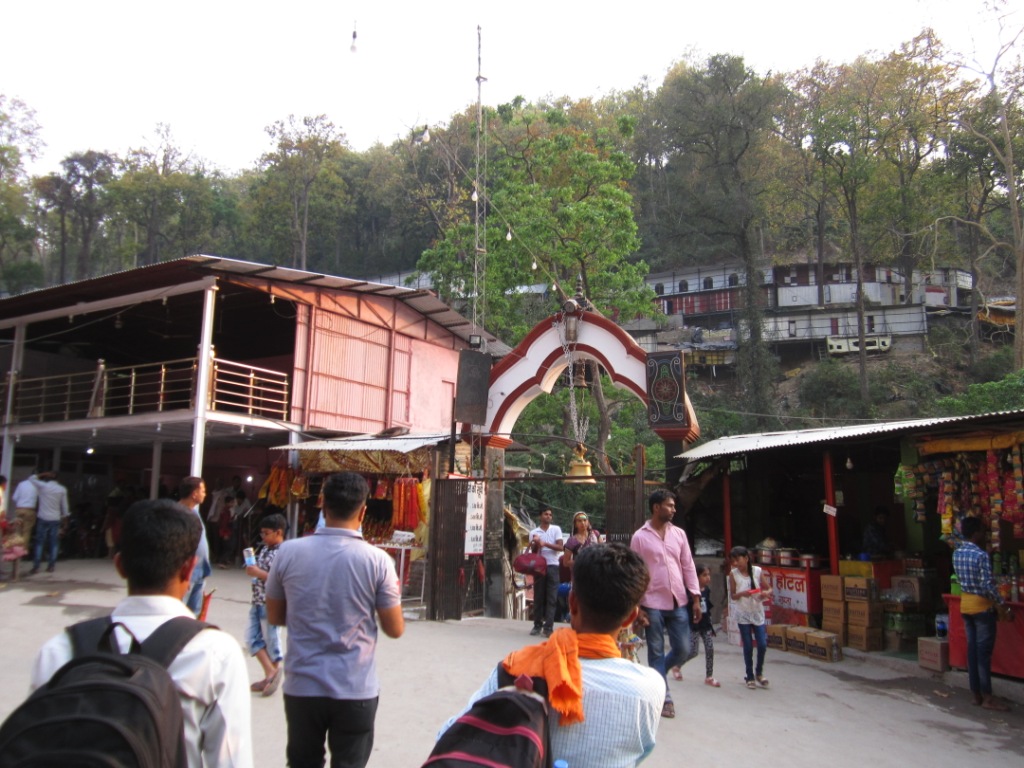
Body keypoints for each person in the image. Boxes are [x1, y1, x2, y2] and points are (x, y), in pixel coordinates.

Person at [29, 498, 254, 768]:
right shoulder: (215, 653)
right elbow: (230, 760)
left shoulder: (59, 651)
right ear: (189, 568)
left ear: (119, 566)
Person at [438, 543, 665, 768]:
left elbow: (447, 736)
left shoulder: (515, 669)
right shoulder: (649, 688)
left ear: (572, 603)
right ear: (630, 618)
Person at [265, 471, 405, 768]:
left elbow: (275, 616)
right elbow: (395, 629)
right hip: (355, 687)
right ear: (363, 511)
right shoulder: (378, 560)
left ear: (323, 507)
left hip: (303, 685)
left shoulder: (287, 553)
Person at [629, 488, 702, 719]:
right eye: (669, 505)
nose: (673, 510)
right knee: (656, 650)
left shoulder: (678, 534)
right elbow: (635, 571)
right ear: (656, 507)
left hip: (678, 600)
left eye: (673, 506)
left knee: (683, 649)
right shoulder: (640, 537)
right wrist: (637, 607)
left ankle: (656, 676)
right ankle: (664, 697)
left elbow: (688, 565)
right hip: (651, 602)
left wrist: (696, 598)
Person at [953, 516, 1013, 711]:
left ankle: (976, 695)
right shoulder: (981, 555)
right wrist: (1001, 603)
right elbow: (987, 585)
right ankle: (988, 697)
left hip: (966, 606)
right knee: (983, 654)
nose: (984, 533)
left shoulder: (957, 553)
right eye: (982, 530)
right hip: (982, 608)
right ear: (976, 532)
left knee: (972, 652)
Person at [246, 512, 286, 696]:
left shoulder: (282, 553)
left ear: (278, 532)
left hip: (270, 601)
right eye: (262, 533)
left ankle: (272, 672)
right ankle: (270, 672)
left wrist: (258, 573)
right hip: (257, 599)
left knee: (271, 639)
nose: (263, 537)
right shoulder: (265, 549)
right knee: (252, 638)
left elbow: (280, 580)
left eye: (267, 533)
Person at [728, 545, 773, 690]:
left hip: (757, 612)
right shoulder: (733, 574)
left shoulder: (757, 571)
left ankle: (759, 672)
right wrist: (743, 593)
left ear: (746, 558)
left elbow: (768, 588)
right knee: (747, 645)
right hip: (743, 613)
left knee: (762, 644)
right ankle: (750, 675)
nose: (736, 563)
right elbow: (733, 596)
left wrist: (765, 593)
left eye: (738, 560)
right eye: (733, 561)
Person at [672, 563, 718, 686]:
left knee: (710, 648)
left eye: (708, 575)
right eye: (704, 575)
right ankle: (677, 666)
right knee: (693, 651)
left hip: (705, 624)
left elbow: (707, 607)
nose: (708, 578)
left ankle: (709, 676)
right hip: (693, 624)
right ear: (696, 577)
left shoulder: (707, 590)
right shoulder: (689, 592)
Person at [528, 507, 563, 637]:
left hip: (553, 566)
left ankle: (548, 627)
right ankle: (537, 624)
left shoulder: (556, 529)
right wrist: (536, 543)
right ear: (540, 516)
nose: (548, 516)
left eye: (550, 514)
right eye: (545, 514)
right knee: (538, 597)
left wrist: (545, 543)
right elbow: (533, 552)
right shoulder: (533, 532)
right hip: (539, 567)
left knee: (552, 598)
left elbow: (560, 547)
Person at [179, 476, 212, 616]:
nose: (205, 494)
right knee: (179, 611)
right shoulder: (178, 514)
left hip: (199, 571)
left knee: (194, 613)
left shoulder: (194, 512)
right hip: (186, 572)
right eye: (203, 491)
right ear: (194, 494)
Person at [29, 472, 69, 575]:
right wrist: (65, 521)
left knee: (39, 542)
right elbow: (64, 507)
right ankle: (51, 566)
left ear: (47, 478)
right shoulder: (61, 489)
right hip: (55, 518)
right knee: (54, 542)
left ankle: (36, 567)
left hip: (42, 517)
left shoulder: (43, 486)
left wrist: (43, 474)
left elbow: (31, 479)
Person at [12, 474, 39, 555]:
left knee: (18, 531)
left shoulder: (21, 484)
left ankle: (15, 551)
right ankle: (22, 552)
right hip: (30, 510)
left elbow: (14, 498)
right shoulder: (37, 486)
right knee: (26, 531)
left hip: (19, 509)